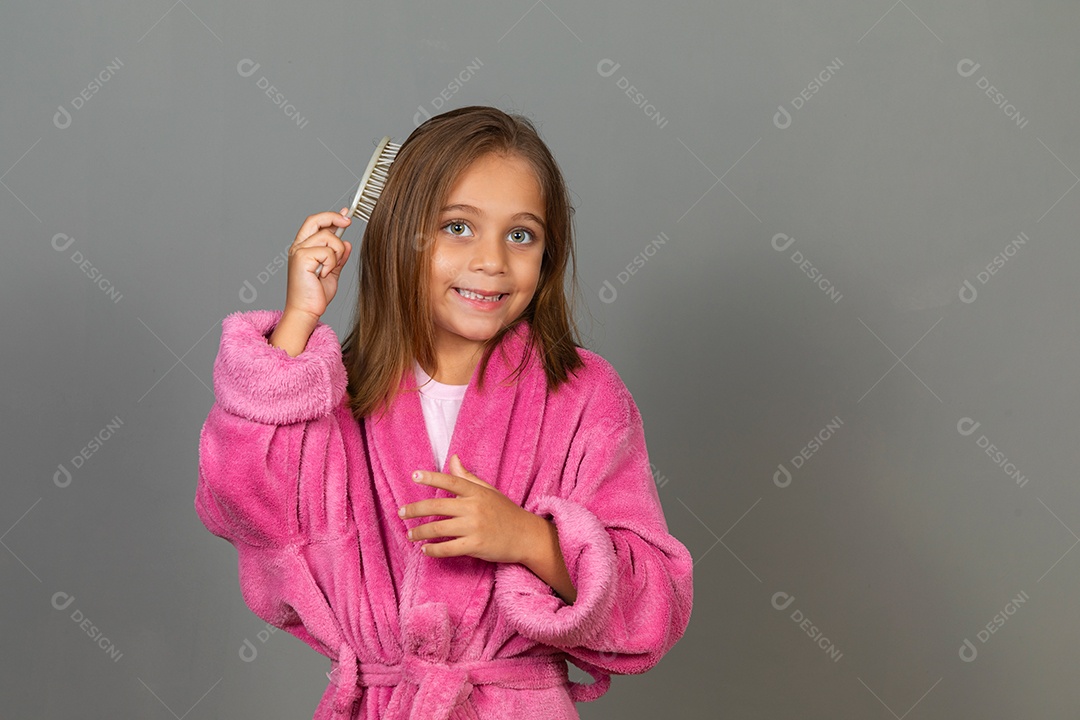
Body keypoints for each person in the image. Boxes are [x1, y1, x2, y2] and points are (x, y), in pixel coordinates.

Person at [195, 105, 694, 719]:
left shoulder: (582, 396)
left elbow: (654, 609)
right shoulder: (331, 395)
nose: (492, 260)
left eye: (521, 235)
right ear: (400, 235)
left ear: (548, 255)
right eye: (459, 227)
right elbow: (243, 502)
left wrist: (529, 538)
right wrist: (298, 321)